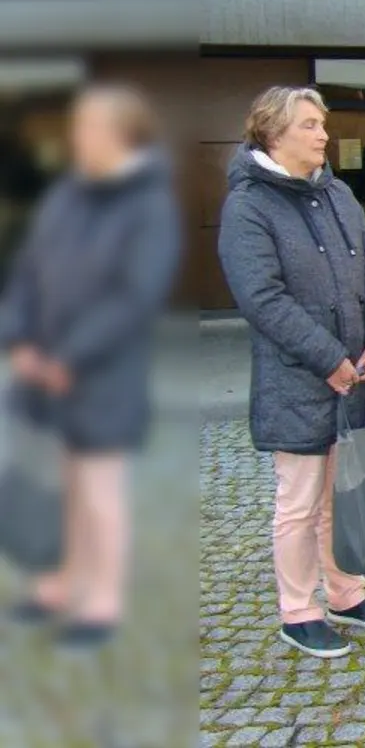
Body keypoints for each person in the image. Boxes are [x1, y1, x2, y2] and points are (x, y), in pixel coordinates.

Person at [219, 85, 365, 659]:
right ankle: (298, 612)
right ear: (273, 133)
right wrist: (328, 359)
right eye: (309, 125)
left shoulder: (338, 193)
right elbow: (262, 298)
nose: (324, 134)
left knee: (341, 495)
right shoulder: (249, 205)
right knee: (299, 502)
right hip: (298, 380)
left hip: (356, 377)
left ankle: (347, 594)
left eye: (322, 123)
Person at [0, 83, 181, 646]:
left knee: (100, 489)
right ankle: (58, 585)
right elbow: (26, 272)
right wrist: (19, 340)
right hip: (41, 369)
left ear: (122, 135)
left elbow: (135, 295)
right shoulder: (66, 196)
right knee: (54, 484)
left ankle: (102, 602)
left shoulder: (149, 206)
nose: (75, 137)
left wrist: (70, 356)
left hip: (104, 373)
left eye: (87, 127)